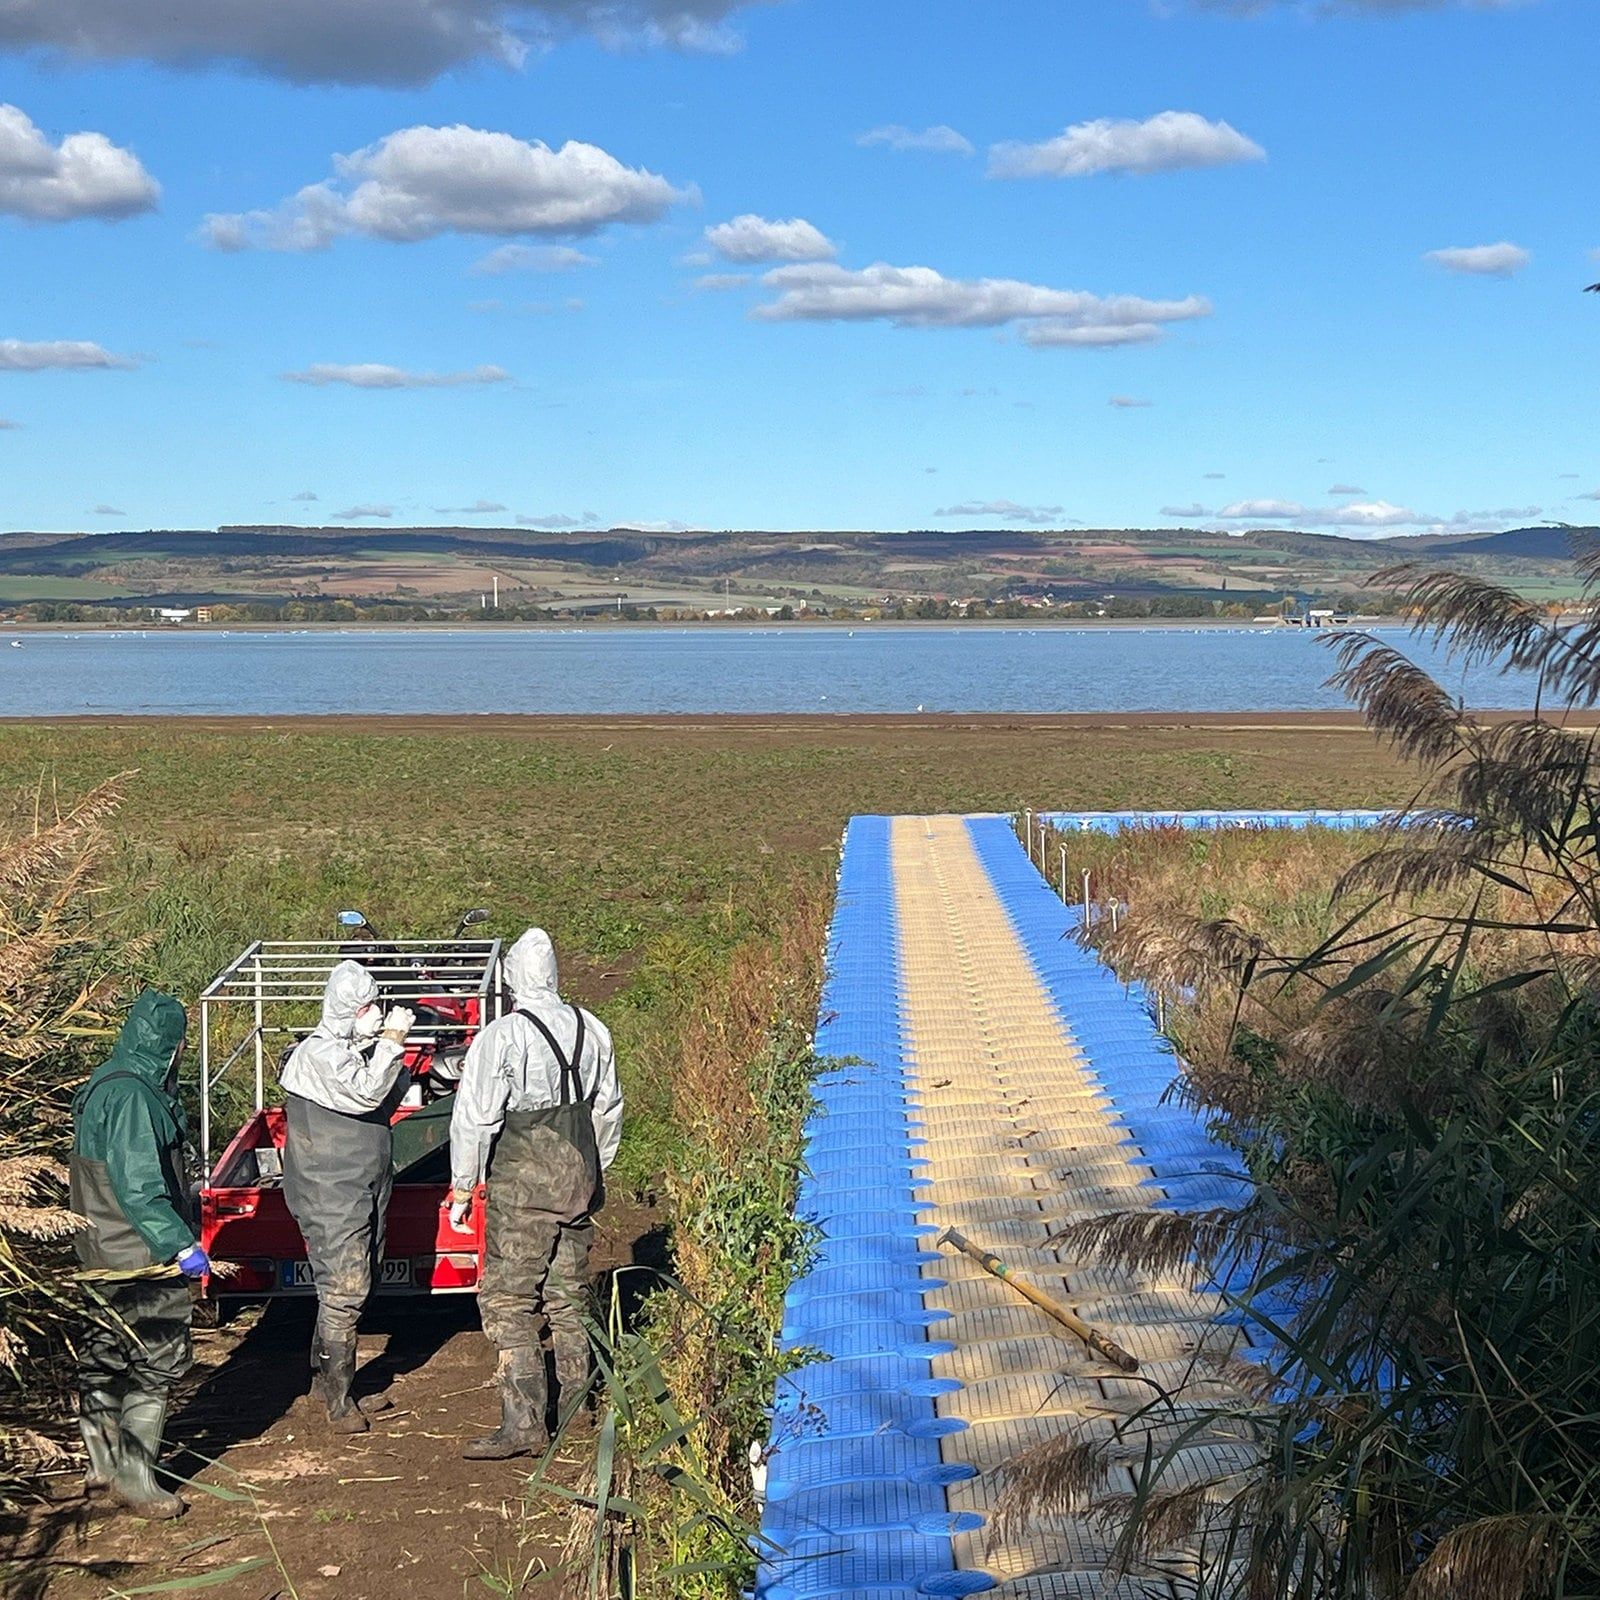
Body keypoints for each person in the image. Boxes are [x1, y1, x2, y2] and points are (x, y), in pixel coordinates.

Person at [447, 927, 623, 1459]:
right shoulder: (593, 1029)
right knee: (569, 1295)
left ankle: (523, 1424)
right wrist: (595, 1170)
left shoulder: (501, 1037)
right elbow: (607, 1111)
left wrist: (462, 1188)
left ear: (513, 979)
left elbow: (475, 1120)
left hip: (524, 1184)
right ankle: (578, 1410)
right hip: (580, 1175)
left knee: (508, 1299)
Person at [70, 989, 207, 1520]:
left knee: (104, 1352)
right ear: (171, 1047)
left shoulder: (101, 1083)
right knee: (157, 1358)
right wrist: (182, 1246)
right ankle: (134, 1478)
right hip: (138, 1251)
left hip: (95, 1246)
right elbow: (140, 1187)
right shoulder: (135, 1098)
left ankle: (101, 1466)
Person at [280, 960, 413, 1432]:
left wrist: (394, 1063)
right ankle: (338, 1402)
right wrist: (393, 1043)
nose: (376, 1015)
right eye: (368, 1006)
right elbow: (362, 1095)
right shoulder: (319, 1055)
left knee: (359, 1277)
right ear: (346, 1008)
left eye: (376, 1005)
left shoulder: (350, 1052)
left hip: (361, 1183)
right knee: (344, 1287)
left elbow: (380, 1100)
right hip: (330, 1190)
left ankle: (329, 1381)